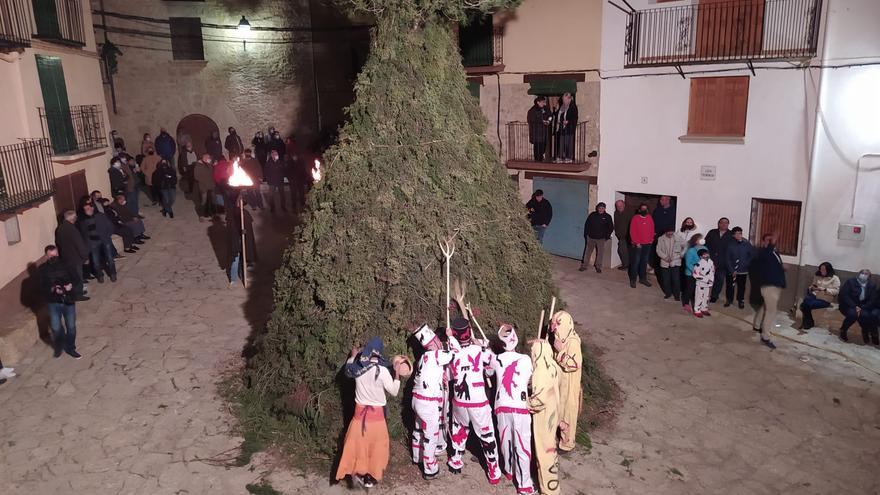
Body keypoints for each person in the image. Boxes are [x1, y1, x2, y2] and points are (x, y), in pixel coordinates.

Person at [335, 337, 401, 489]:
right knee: (376, 448)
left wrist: (352, 355)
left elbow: (347, 369)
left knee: (359, 446)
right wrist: (396, 373)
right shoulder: (382, 371)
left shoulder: (357, 368)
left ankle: (357, 471)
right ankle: (370, 477)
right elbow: (395, 391)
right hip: (377, 417)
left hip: (359, 416)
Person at [447, 317, 501, 485]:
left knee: (458, 429)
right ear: (469, 332)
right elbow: (492, 370)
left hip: (459, 401)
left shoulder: (451, 353)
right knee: (486, 436)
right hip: (478, 402)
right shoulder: (480, 351)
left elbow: (448, 376)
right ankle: (493, 471)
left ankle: (455, 460)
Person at [486, 324, 534, 494]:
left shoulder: (496, 359)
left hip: (501, 407)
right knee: (522, 445)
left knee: (505, 441)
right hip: (519, 407)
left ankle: (509, 470)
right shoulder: (526, 359)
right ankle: (524, 484)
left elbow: (488, 371)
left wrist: (487, 350)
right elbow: (532, 380)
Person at [410, 324, 457, 481]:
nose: (439, 342)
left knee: (418, 429)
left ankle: (417, 457)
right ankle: (430, 468)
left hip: (416, 399)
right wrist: (450, 337)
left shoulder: (423, 358)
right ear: (432, 343)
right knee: (431, 434)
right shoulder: (436, 355)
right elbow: (456, 354)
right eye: (437, 340)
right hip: (428, 402)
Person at [529, 339, 561, 495]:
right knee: (550, 450)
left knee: (544, 453)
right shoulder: (553, 365)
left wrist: (525, 404)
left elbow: (538, 401)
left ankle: (548, 490)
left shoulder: (540, 371)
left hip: (543, 418)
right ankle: (551, 484)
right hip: (553, 412)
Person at [39, 245, 81, 359]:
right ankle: (59, 345)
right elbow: (41, 287)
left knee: (71, 327)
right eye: (51, 256)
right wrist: (53, 289)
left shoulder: (67, 264)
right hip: (53, 302)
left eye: (56, 254)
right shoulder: (42, 269)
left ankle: (71, 347)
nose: (54, 257)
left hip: (68, 300)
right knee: (56, 328)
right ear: (46, 256)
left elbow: (77, 279)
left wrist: (70, 286)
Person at [548, 310, 582, 454]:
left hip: (569, 385)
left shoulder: (572, 343)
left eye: (558, 325)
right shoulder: (561, 337)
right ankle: (557, 434)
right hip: (561, 382)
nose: (555, 328)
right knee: (559, 409)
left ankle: (567, 443)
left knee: (568, 413)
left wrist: (560, 352)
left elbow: (574, 364)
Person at [752, 233, 783, 349]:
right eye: (768, 241)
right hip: (769, 285)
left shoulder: (774, 253)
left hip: (775, 284)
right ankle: (765, 336)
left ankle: (756, 325)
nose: (771, 242)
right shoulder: (764, 252)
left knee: (766, 306)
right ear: (764, 242)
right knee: (771, 311)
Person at [77, 201, 117, 283]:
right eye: (85, 209)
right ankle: (100, 276)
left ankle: (113, 274)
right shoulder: (83, 221)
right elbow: (84, 233)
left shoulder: (101, 216)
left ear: (92, 208)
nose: (86, 211)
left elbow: (110, 226)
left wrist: (107, 236)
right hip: (93, 243)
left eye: (88, 208)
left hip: (105, 240)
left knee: (109, 258)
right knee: (96, 261)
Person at [54, 210, 90, 301]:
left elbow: (58, 242)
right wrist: (85, 257)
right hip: (75, 258)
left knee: (72, 276)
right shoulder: (73, 229)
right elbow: (79, 245)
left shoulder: (60, 228)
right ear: (73, 219)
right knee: (78, 276)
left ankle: (74, 292)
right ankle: (78, 294)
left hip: (66, 257)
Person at [838, 269, 877, 344]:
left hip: (863, 306)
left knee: (865, 315)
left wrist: (862, 307)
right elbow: (844, 295)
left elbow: (872, 299)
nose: (864, 275)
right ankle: (843, 330)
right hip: (848, 304)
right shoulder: (850, 282)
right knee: (853, 315)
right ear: (859, 274)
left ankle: (865, 332)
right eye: (862, 273)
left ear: (869, 276)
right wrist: (854, 306)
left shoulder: (872, 285)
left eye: (866, 274)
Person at [799, 262, 840, 330]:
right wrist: (812, 288)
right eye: (821, 269)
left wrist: (825, 289)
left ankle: (807, 323)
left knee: (804, 305)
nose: (822, 271)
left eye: (824, 270)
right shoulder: (817, 275)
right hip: (815, 295)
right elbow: (813, 285)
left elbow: (836, 291)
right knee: (805, 301)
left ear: (828, 270)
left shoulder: (834, 278)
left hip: (825, 298)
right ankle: (808, 323)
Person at [226, 199, 256, 287]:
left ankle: (244, 276)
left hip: (244, 240)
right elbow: (232, 228)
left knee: (243, 260)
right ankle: (233, 279)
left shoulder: (245, 213)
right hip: (236, 241)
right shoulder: (232, 214)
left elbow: (248, 227)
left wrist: (245, 232)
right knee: (235, 260)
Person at [724, 227, 754, 308]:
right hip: (731, 270)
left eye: (740, 233)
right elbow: (727, 258)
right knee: (730, 286)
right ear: (733, 235)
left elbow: (751, 255)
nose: (738, 235)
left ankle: (741, 300)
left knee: (741, 286)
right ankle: (729, 299)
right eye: (736, 233)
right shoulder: (730, 245)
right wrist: (731, 269)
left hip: (743, 270)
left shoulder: (747, 244)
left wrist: (746, 263)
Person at [580, 202, 613, 272]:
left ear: (604, 209)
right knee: (588, 252)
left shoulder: (607, 217)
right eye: (599, 208)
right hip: (591, 237)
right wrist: (586, 235)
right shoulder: (592, 215)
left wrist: (606, 237)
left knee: (600, 253)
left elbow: (611, 228)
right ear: (597, 208)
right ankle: (584, 265)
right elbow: (587, 225)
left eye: (602, 208)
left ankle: (598, 267)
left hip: (601, 239)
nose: (601, 209)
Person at [705, 217, 732, 303]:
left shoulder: (731, 234)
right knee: (706, 279)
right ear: (718, 224)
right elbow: (706, 244)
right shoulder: (712, 232)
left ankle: (714, 296)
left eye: (726, 223)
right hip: (710, 261)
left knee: (719, 280)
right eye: (722, 222)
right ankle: (705, 294)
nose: (724, 224)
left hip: (723, 262)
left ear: (728, 224)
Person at [628, 203, 654, 288]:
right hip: (638, 245)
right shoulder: (635, 218)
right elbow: (632, 231)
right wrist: (636, 242)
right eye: (642, 208)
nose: (644, 210)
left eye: (645, 209)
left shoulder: (649, 218)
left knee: (644, 262)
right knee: (636, 262)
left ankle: (643, 279)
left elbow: (652, 229)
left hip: (647, 244)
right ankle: (633, 280)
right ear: (639, 210)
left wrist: (651, 240)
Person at [656, 228, 682, 300]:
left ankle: (677, 295)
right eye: (669, 232)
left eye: (672, 232)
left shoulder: (677, 238)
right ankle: (668, 293)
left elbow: (682, 247)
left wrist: (676, 257)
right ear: (666, 232)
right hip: (665, 262)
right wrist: (665, 257)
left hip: (675, 262)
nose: (670, 233)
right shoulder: (661, 239)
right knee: (666, 280)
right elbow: (658, 250)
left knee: (676, 280)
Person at [681, 234, 705, 313]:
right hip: (691, 273)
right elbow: (688, 263)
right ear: (695, 241)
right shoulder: (691, 250)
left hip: (702, 274)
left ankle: (699, 304)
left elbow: (707, 260)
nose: (702, 240)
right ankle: (686, 303)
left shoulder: (705, 248)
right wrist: (695, 271)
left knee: (699, 290)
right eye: (700, 239)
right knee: (689, 289)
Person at [555, 92, 578, 163]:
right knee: (561, 142)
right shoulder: (562, 106)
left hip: (569, 128)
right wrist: (556, 112)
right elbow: (559, 115)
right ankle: (560, 157)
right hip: (562, 128)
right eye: (563, 100)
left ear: (569, 99)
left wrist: (568, 121)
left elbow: (575, 117)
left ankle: (568, 157)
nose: (564, 101)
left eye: (565, 100)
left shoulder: (573, 107)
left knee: (569, 143)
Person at [692, 248, 715, 318]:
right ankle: (697, 310)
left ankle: (704, 308)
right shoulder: (698, 264)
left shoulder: (711, 262)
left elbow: (713, 271)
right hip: (701, 283)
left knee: (706, 297)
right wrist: (705, 279)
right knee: (699, 297)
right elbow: (695, 274)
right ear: (701, 256)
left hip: (708, 283)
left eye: (707, 253)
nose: (707, 255)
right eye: (705, 254)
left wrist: (711, 280)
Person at [192, 154, 216, 220]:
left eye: (209, 157)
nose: (209, 158)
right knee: (204, 201)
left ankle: (211, 213)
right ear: (204, 158)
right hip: (204, 186)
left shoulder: (209, 164)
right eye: (208, 157)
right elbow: (196, 176)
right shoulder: (198, 165)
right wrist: (204, 180)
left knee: (212, 200)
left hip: (211, 185)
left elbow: (212, 173)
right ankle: (201, 215)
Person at [527, 96, 550, 162]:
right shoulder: (532, 110)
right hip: (536, 132)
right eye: (542, 102)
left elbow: (550, 115)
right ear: (538, 102)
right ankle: (537, 159)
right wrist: (541, 121)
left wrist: (548, 120)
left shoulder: (545, 108)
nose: (543, 103)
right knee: (537, 146)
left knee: (543, 145)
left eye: (544, 102)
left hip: (543, 132)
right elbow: (531, 119)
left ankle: (541, 157)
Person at [264, 149, 288, 213]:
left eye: (276, 153)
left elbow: (283, 169)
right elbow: (266, 172)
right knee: (271, 195)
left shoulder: (280, 161)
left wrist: (280, 163)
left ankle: (283, 206)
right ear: (271, 155)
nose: (275, 155)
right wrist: (268, 180)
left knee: (282, 194)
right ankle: (272, 207)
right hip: (272, 181)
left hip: (279, 180)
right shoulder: (268, 162)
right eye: (274, 154)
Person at [613, 199, 631, 271]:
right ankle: (627, 265)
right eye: (617, 206)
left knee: (621, 250)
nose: (619, 207)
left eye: (620, 205)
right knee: (624, 251)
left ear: (624, 205)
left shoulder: (629, 213)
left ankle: (626, 265)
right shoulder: (616, 213)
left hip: (627, 236)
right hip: (620, 236)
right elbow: (616, 223)